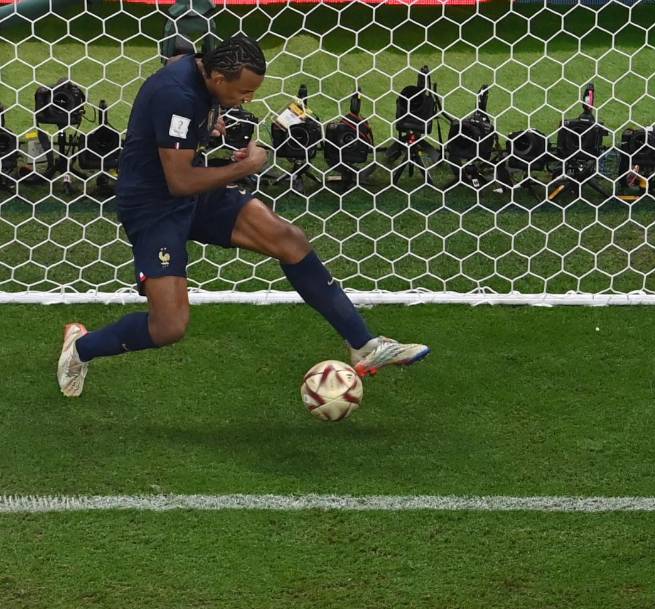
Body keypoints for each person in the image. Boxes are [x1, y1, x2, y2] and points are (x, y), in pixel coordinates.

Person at [56, 35, 428, 398]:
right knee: (169, 326)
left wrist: (209, 129)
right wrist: (246, 166)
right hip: (155, 207)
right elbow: (180, 179)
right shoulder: (176, 94)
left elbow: (183, 138)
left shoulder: (198, 73)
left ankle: (363, 344)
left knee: (288, 239)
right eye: (244, 92)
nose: (248, 99)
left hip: (193, 192)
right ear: (218, 78)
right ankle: (81, 348)